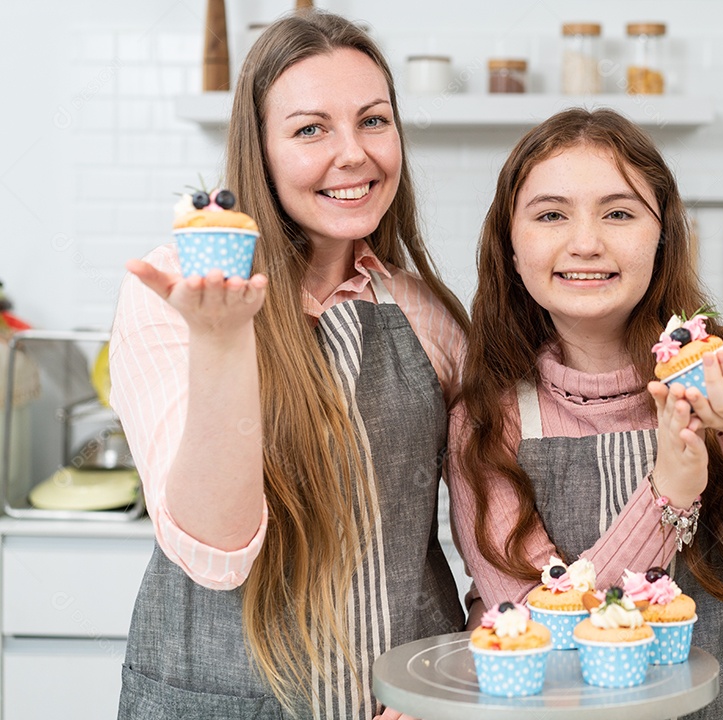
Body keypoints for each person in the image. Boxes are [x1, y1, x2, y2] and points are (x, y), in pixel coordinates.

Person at [109, 11, 468, 719]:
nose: (354, 155)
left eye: (373, 121)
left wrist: (468, 669)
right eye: (310, 129)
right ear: (261, 149)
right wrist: (221, 342)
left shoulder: (426, 313)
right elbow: (217, 550)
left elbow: (500, 523)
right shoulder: (171, 292)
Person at [448, 108, 723, 719]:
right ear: (510, 247)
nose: (585, 243)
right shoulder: (490, 420)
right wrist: (668, 491)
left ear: (662, 236)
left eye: (619, 213)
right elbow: (545, 642)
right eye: (551, 214)